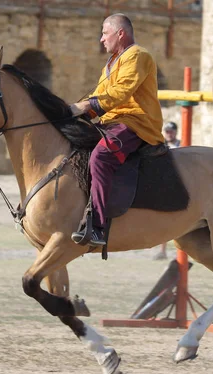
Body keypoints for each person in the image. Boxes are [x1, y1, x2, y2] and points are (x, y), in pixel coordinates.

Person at [69, 13, 164, 246]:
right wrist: (75, 113)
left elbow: (120, 93)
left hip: (136, 122)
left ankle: (97, 227)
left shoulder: (138, 56)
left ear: (120, 33)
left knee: (101, 156)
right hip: (112, 121)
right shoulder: (112, 62)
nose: (101, 39)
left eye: (104, 33)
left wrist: (84, 106)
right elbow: (100, 97)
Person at [154, 121, 180, 260]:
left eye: (171, 131)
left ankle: (179, 254)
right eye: (167, 131)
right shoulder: (159, 145)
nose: (169, 133)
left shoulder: (182, 145)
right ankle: (162, 251)